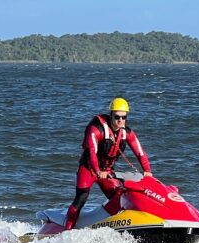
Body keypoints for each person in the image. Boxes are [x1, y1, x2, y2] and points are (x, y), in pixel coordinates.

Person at [63, 97, 153, 230]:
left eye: (124, 117)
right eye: (117, 117)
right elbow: (92, 151)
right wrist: (98, 171)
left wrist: (147, 171)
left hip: (107, 171)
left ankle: (114, 227)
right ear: (111, 115)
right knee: (81, 197)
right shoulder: (96, 129)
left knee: (119, 198)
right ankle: (67, 229)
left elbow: (140, 152)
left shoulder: (126, 133)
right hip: (89, 169)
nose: (120, 121)